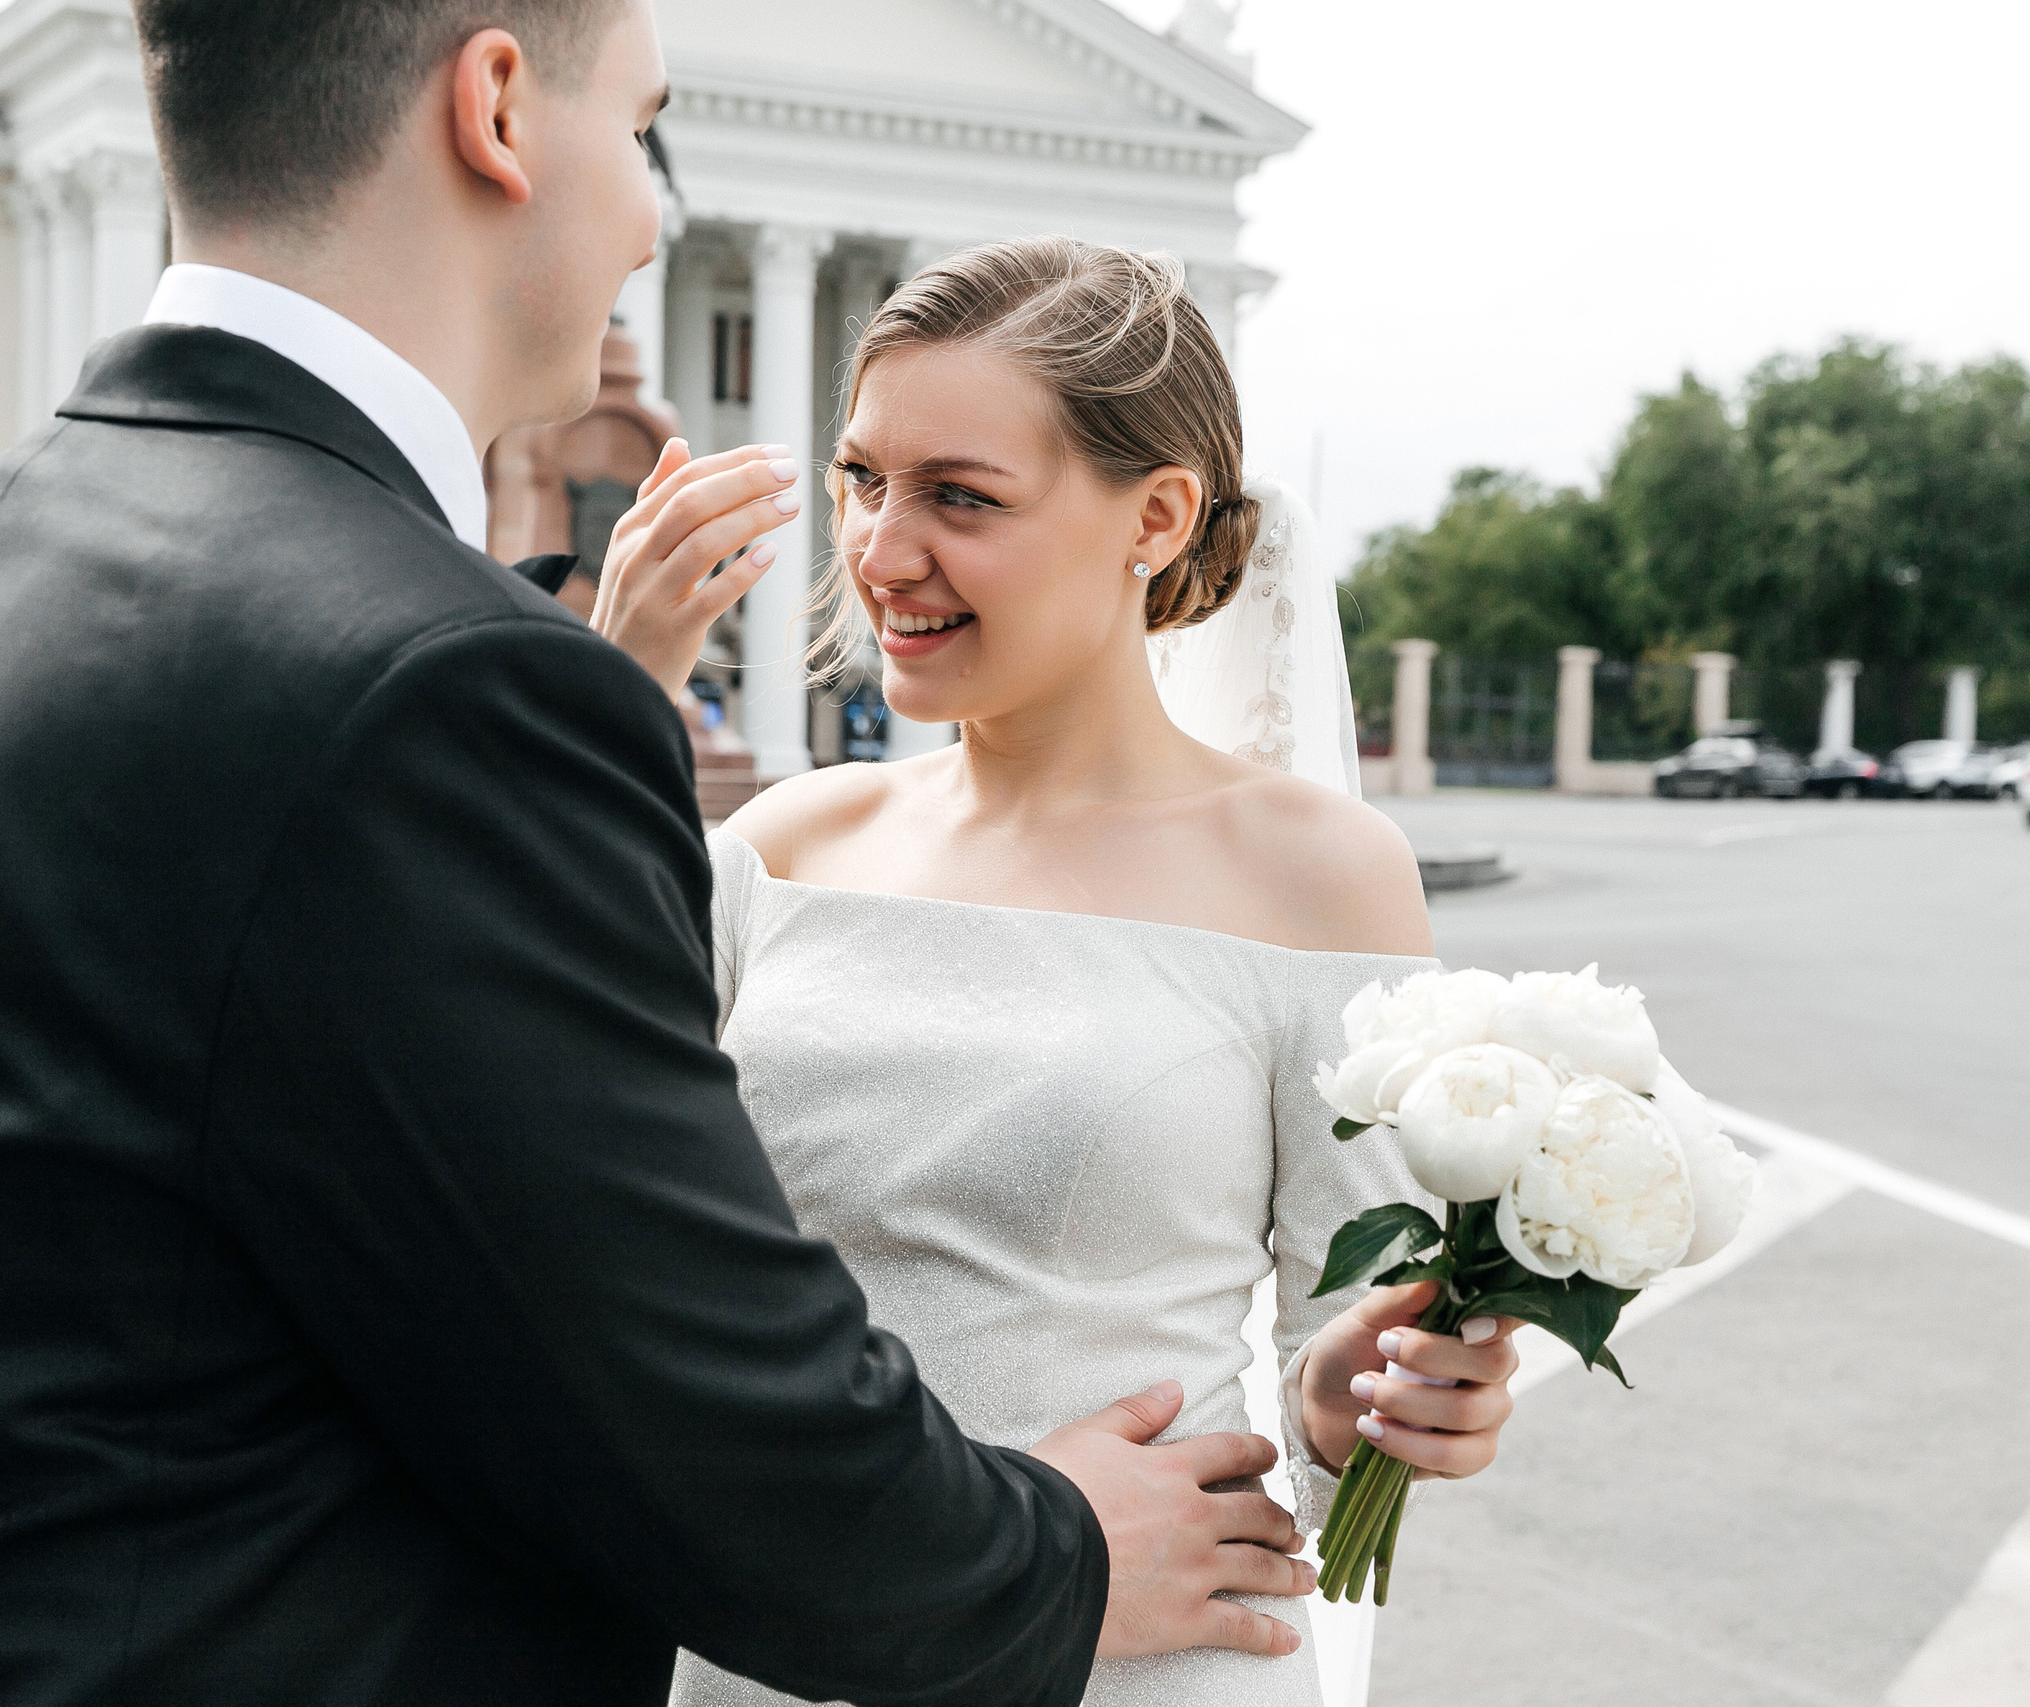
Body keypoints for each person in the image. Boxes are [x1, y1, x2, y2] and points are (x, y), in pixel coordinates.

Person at [0, 7, 1316, 1704]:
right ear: (495, 108)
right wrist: (1055, 1558)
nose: (649, 219)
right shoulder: (437, 680)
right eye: (643, 131)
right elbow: (680, 1404)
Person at [592, 239, 1523, 1707]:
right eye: (863, 481)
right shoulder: (777, 849)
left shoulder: (1320, 873)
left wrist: (1357, 1415)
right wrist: (602, 717)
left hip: (1139, 1666)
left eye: (962, 497)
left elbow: (1344, 1401)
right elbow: (576, 1211)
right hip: (781, 1656)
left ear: (1154, 515)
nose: (883, 551)